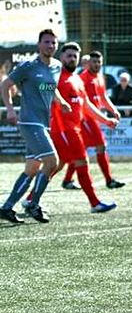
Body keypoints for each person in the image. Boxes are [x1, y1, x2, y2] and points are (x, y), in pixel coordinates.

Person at [31, 43, 119, 213]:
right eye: (68, 55)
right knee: (81, 162)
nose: (72, 58)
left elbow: (86, 105)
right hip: (63, 130)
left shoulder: (77, 79)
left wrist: (106, 120)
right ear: (62, 57)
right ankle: (94, 203)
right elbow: (40, 89)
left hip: (73, 129)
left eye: (74, 56)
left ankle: (29, 199)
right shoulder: (56, 77)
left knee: (55, 166)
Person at [0, 29, 68, 225]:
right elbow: (5, 86)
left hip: (44, 123)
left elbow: (51, 88)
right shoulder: (28, 66)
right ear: (39, 45)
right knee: (52, 162)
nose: (50, 46)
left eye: (53, 43)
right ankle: (33, 204)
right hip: (30, 122)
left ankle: (7, 207)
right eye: (46, 42)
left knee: (32, 168)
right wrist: (10, 110)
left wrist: (61, 101)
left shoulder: (56, 66)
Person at [61, 51, 125, 190]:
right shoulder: (82, 78)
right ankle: (109, 180)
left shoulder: (100, 77)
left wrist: (113, 109)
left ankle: (67, 180)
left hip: (94, 117)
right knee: (100, 146)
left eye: (99, 62)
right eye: (94, 62)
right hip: (85, 118)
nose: (96, 64)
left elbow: (102, 97)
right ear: (88, 63)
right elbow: (83, 101)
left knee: (80, 151)